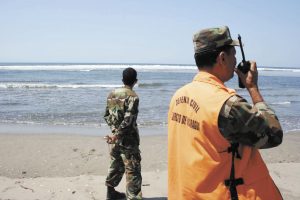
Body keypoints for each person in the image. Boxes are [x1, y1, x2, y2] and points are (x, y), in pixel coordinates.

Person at [168, 26, 283, 200]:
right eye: (233, 54)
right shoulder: (228, 105)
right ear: (222, 58)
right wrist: (253, 89)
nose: (235, 60)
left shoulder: (179, 95)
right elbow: (273, 135)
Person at [104, 67, 142, 200]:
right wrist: (118, 134)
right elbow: (129, 120)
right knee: (133, 169)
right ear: (135, 81)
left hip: (116, 138)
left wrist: (114, 131)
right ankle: (133, 197)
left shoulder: (112, 94)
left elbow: (106, 116)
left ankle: (111, 192)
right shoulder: (133, 97)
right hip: (128, 140)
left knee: (116, 164)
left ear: (122, 79)